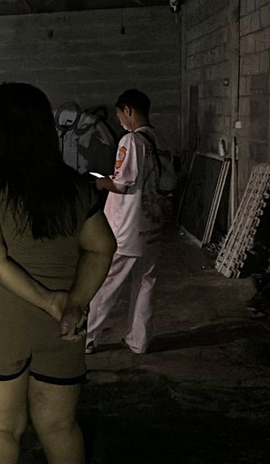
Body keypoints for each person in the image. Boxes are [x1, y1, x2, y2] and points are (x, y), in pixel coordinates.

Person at [0, 83, 116, 464]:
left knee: (1, 428)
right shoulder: (75, 187)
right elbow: (102, 247)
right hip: (62, 326)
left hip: (2, 322)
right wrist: (74, 303)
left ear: (0, 131)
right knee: (60, 426)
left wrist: (49, 301)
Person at [86, 89, 162, 355]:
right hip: (152, 224)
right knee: (146, 283)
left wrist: (100, 182)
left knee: (106, 284)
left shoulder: (131, 140)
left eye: (119, 115)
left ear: (128, 110)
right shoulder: (158, 140)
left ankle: (86, 338)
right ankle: (139, 340)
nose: (119, 121)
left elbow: (121, 183)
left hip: (126, 227)